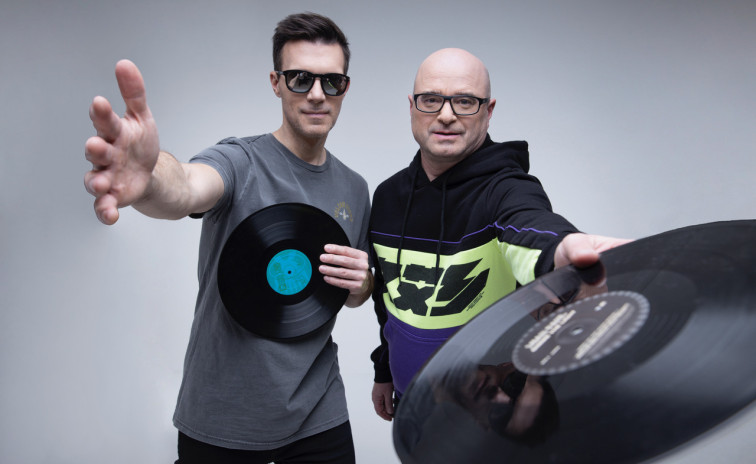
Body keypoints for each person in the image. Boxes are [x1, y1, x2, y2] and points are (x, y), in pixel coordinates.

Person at [84, 12, 372, 464]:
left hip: (319, 414)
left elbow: (352, 293)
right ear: (276, 83)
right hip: (222, 418)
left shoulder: (354, 188)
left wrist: (363, 283)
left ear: (345, 88)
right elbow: (186, 186)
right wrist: (150, 177)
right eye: (300, 79)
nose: (317, 94)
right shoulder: (239, 161)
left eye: (331, 82)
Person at [369, 48, 630, 421]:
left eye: (464, 101)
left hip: (485, 416)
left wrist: (562, 249)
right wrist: (383, 368)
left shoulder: (506, 189)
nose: (446, 115)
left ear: (488, 111)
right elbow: (387, 296)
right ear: (412, 106)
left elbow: (528, 223)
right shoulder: (386, 197)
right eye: (431, 100)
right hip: (413, 402)